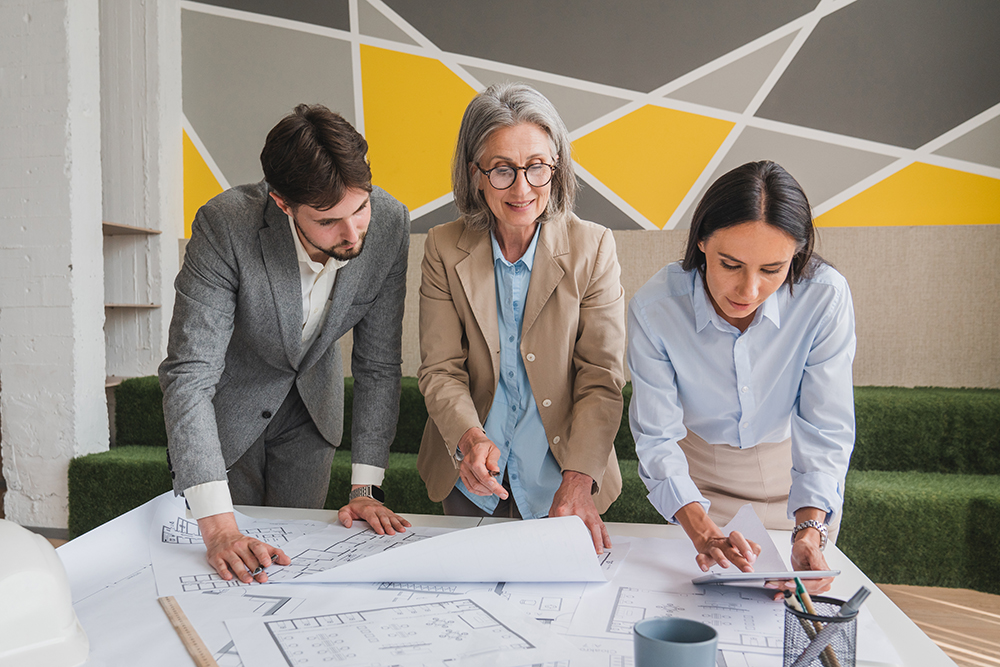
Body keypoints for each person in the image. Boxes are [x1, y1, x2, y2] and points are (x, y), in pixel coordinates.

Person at [159, 104, 412, 584]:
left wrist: (366, 489)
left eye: (361, 208)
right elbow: (189, 374)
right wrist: (217, 528)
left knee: (291, 571)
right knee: (225, 574)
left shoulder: (391, 225)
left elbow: (378, 364)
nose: (353, 233)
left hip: (312, 416)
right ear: (282, 204)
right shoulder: (225, 224)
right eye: (328, 221)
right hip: (226, 413)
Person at [627, 161, 856, 595]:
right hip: (698, 487)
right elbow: (656, 437)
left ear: (798, 255)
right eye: (729, 264)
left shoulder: (824, 297)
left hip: (796, 482)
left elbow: (826, 427)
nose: (748, 291)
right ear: (701, 241)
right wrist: (699, 527)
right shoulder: (656, 307)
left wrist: (809, 529)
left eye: (772, 269)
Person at [416, 83, 626, 553]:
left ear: (556, 167)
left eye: (536, 168)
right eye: (503, 170)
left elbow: (601, 377)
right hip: (471, 483)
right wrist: (469, 438)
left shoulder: (593, 247)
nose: (522, 188)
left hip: (567, 481)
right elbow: (440, 369)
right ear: (475, 175)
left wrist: (578, 479)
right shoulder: (442, 247)